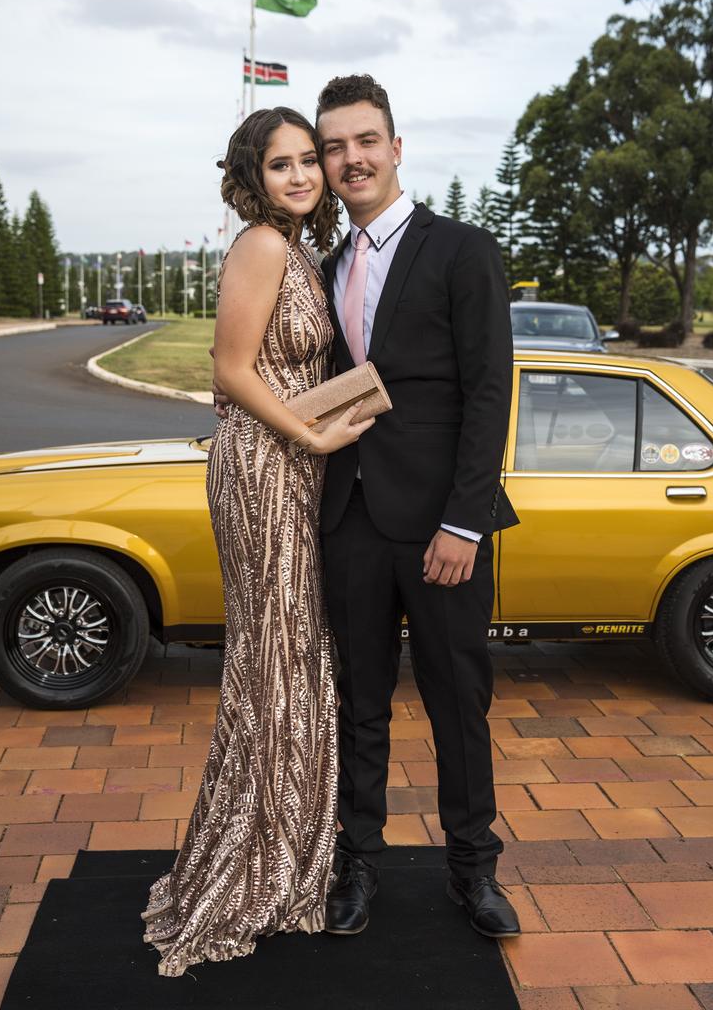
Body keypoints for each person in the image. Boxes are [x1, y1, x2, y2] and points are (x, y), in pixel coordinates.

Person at [141, 106, 373, 977]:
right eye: (283, 165)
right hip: (267, 467)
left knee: (288, 655)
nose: (304, 175)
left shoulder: (300, 246)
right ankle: (252, 868)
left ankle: (282, 856)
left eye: (309, 160)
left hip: (291, 462)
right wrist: (312, 439)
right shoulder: (264, 245)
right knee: (278, 658)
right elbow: (230, 368)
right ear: (253, 175)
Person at [314, 75, 521, 939]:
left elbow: (489, 391)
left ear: (396, 147)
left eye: (366, 140)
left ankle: (472, 871)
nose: (351, 158)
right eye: (335, 147)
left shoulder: (462, 251)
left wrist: (465, 522)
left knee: (456, 704)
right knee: (358, 703)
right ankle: (356, 864)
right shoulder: (323, 267)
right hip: (350, 520)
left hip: (444, 528)